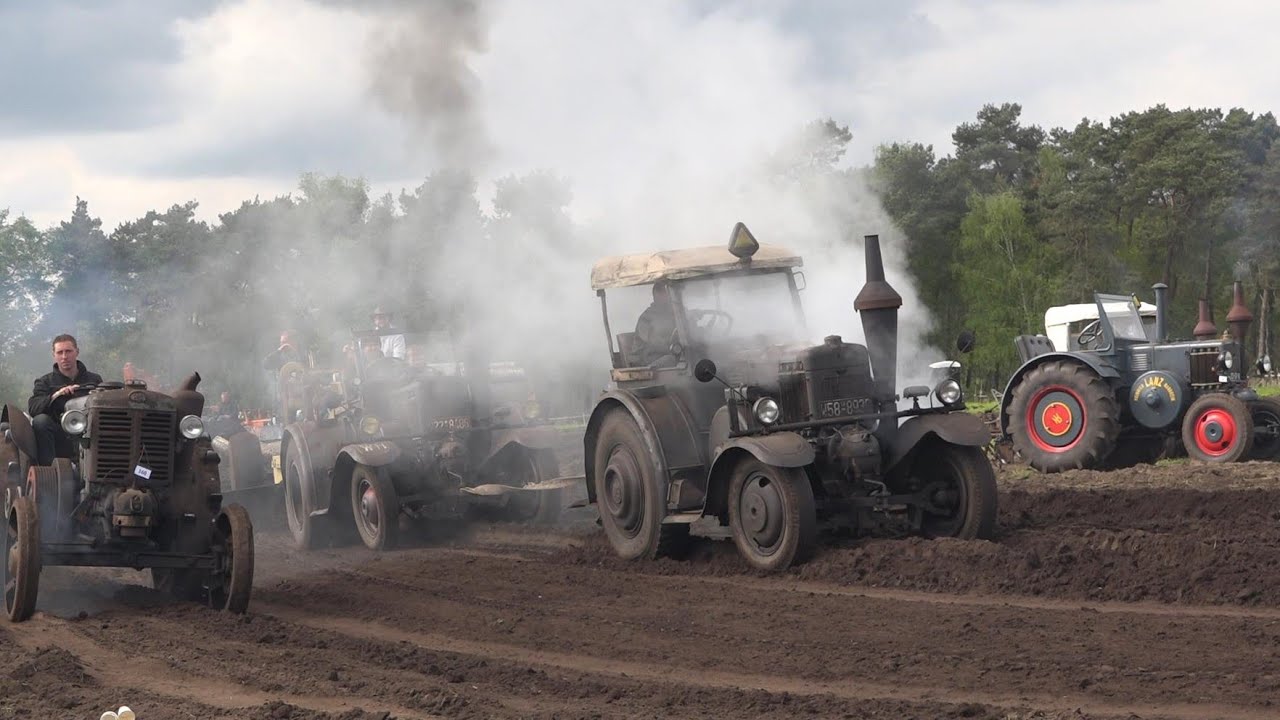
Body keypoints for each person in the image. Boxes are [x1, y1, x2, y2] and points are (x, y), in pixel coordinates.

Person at [28, 334, 104, 465]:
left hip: (89, 433)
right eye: (60, 352)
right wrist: (56, 395)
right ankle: (49, 470)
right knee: (40, 421)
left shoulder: (95, 379)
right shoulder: (44, 382)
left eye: (68, 351)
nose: (64, 357)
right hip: (60, 436)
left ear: (77, 352)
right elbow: (33, 408)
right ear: (54, 355)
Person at [634, 282, 680, 366]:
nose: (669, 297)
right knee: (670, 360)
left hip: (670, 355)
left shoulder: (674, 313)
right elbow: (653, 344)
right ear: (657, 295)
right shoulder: (646, 317)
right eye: (665, 293)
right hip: (649, 360)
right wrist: (672, 347)